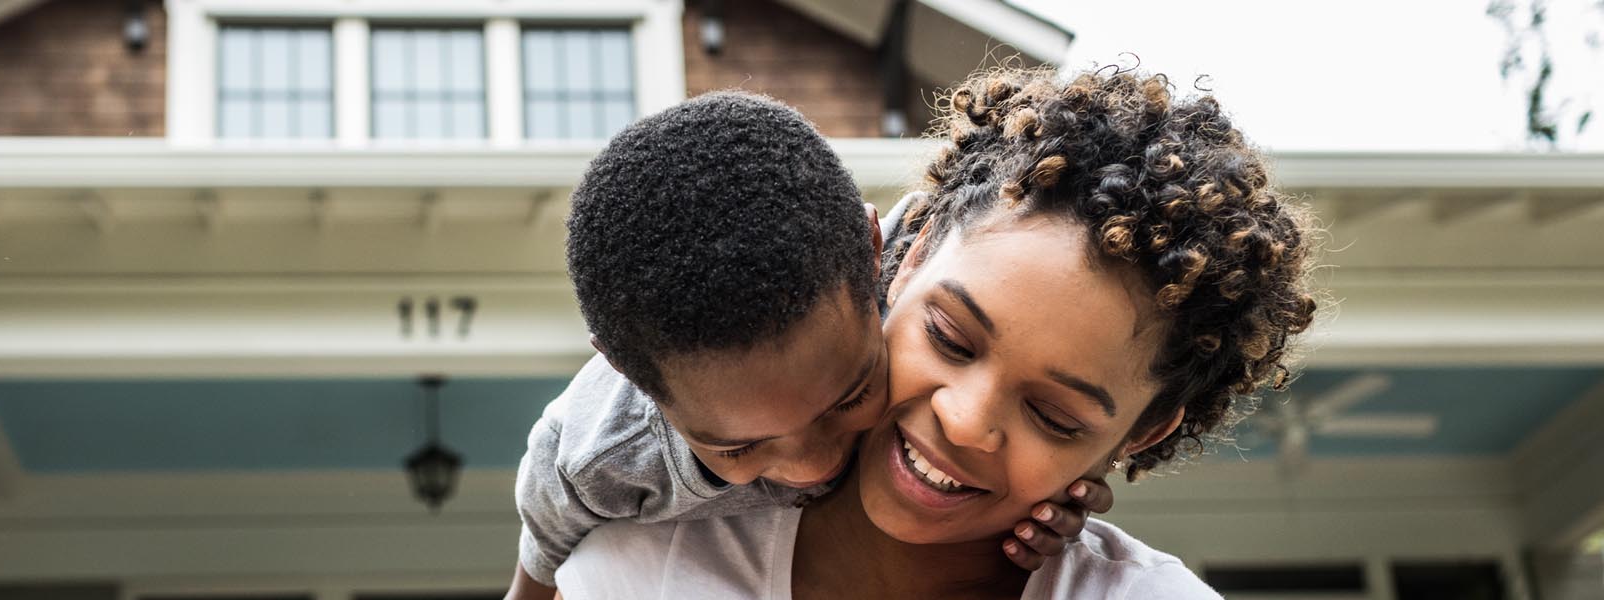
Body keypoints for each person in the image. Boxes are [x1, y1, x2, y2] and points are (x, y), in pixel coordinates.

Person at [552, 67, 1320, 599]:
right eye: (951, 338)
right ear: (906, 260)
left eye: (1053, 416)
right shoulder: (634, 573)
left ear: (1142, 433)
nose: (963, 420)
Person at [506, 92, 1114, 600]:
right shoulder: (603, 458)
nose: (814, 466)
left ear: (880, 258)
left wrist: (1059, 468)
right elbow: (540, 556)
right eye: (741, 446)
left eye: (848, 397)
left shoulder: (930, 269)